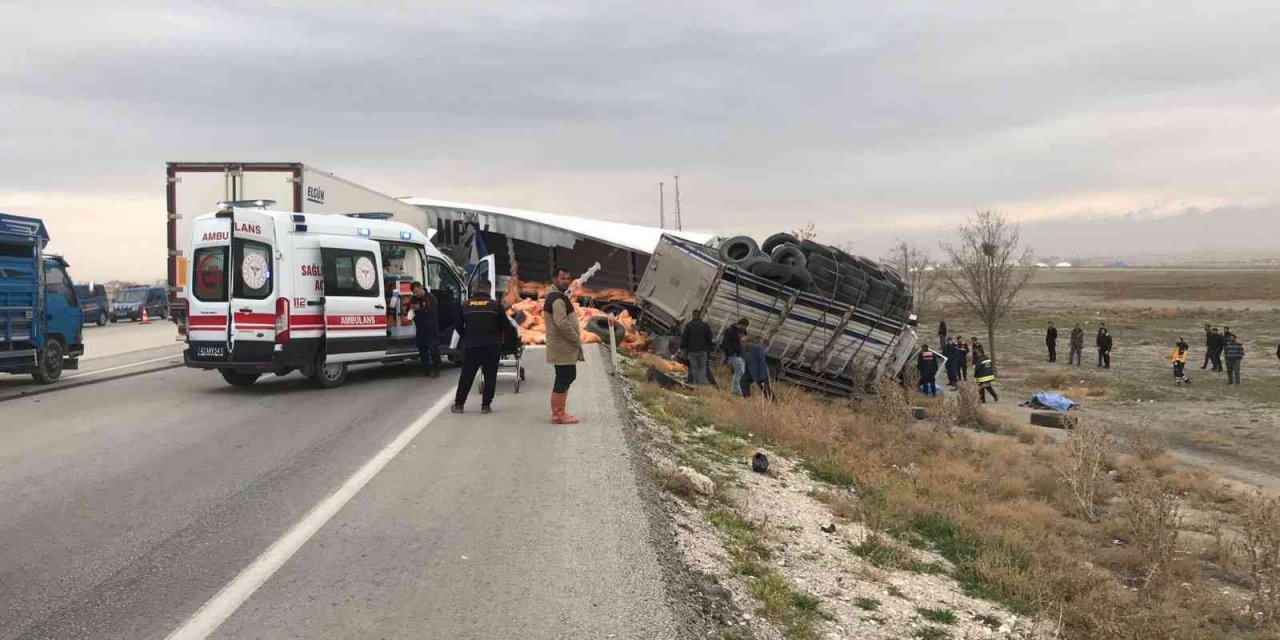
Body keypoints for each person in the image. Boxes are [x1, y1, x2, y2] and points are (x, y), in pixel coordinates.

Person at [451, 279, 507, 414]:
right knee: (490, 376)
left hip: (471, 345)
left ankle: (459, 404)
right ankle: (486, 405)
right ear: (489, 290)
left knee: (466, 375)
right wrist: (499, 338)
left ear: (476, 289)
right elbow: (505, 325)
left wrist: (466, 336)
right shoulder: (495, 306)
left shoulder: (465, 305)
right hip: (491, 345)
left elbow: (458, 325)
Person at [543, 267, 584, 424]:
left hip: (563, 346)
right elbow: (562, 323)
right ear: (555, 279)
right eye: (562, 278)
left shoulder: (558, 296)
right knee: (564, 377)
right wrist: (575, 339)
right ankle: (558, 414)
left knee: (567, 376)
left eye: (568, 278)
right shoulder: (557, 299)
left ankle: (560, 412)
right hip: (562, 346)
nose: (566, 281)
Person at [408, 281, 440, 377]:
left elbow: (431, 312)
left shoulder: (431, 298)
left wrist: (419, 308)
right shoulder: (414, 299)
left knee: (432, 347)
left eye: (417, 291)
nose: (416, 294)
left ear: (421, 288)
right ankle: (425, 369)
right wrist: (411, 309)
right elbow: (409, 307)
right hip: (420, 328)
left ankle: (436, 369)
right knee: (422, 349)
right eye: (414, 292)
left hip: (430, 327)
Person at [681, 309, 714, 385]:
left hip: (692, 350)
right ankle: (701, 383)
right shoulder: (705, 325)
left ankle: (694, 382)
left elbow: (684, 337)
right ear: (700, 316)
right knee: (702, 366)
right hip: (703, 350)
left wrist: (682, 347)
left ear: (693, 315)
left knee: (693, 367)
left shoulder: (689, 325)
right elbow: (710, 337)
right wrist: (708, 347)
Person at [721, 318, 749, 396]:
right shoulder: (731, 330)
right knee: (740, 372)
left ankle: (734, 390)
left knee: (738, 373)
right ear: (740, 324)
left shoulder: (744, 332)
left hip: (741, 354)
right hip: (734, 354)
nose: (744, 328)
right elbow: (725, 342)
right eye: (744, 326)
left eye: (746, 327)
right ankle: (736, 390)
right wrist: (729, 352)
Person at [740, 334, 773, 399]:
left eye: (743, 342)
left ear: (749, 342)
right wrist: (746, 374)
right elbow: (747, 363)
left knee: (765, 389)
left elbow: (762, 363)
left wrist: (763, 377)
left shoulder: (757, 348)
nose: (741, 344)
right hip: (750, 373)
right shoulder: (746, 350)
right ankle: (747, 399)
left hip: (760, 374)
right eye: (741, 342)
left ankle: (773, 402)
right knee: (743, 382)